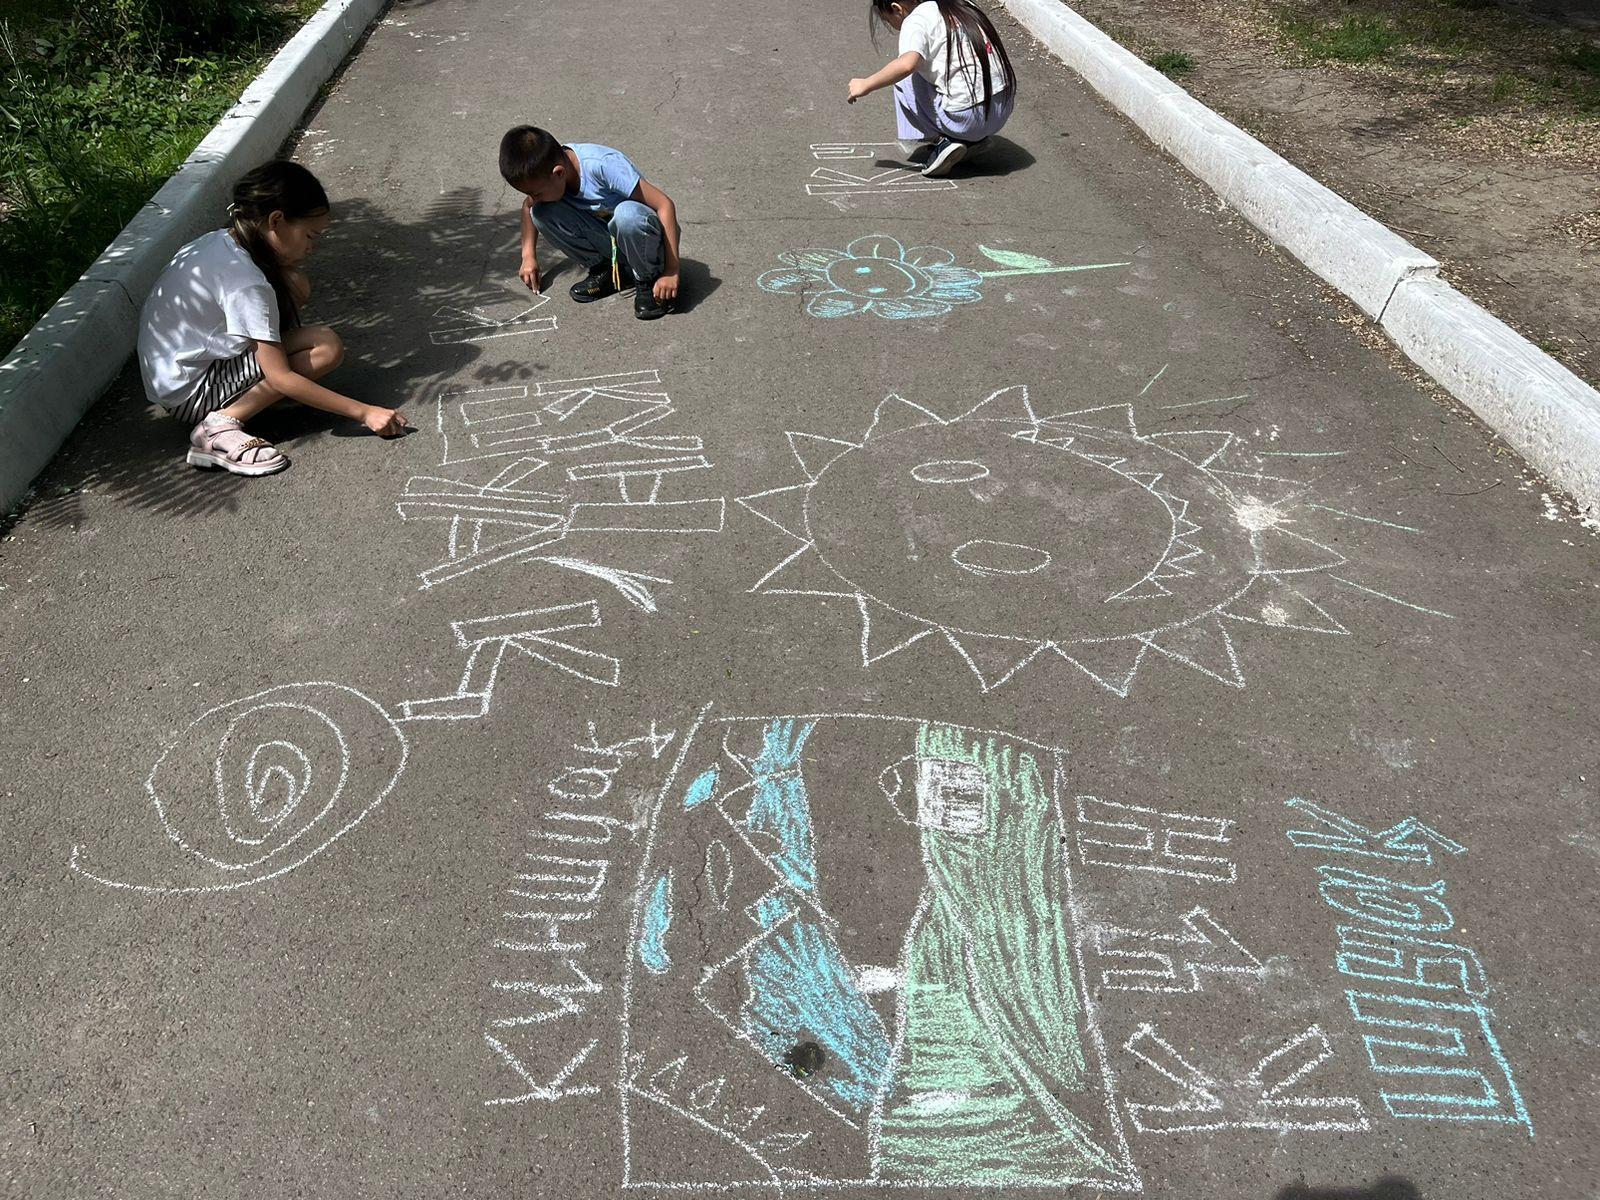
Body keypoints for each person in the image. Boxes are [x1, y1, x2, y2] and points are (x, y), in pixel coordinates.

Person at [136, 161, 407, 477]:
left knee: (293, 283)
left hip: (177, 373)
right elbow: (281, 378)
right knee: (326, 347)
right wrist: (365, 412)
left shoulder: (221, 241)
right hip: (192, 392)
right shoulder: (246, 283)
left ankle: (256, 399)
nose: (312, 247)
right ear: (276, 220)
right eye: (310, 235)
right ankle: (218, 425)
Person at [498, 126, 681, 321]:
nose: (533, 198)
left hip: (649, 245)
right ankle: (610, 271)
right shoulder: (549, 172)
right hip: (615, 242)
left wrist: (671, 271)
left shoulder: (602, 166)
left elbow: (664, 205)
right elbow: (528, 207)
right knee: (540, 212)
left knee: (626, 215)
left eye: (536, 193)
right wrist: (528, 257)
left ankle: (649, 278)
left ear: (558, 173)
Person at [847, 0, 1017, 177]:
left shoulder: (916, 19)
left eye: (887, 20)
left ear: (897, 8)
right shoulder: (962, 4)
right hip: (1002, 108)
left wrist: (866, 84)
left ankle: (944, 141)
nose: (890, 25)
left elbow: (907, 65)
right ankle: (972, 140)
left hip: (968, 117)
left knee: (905, 78)